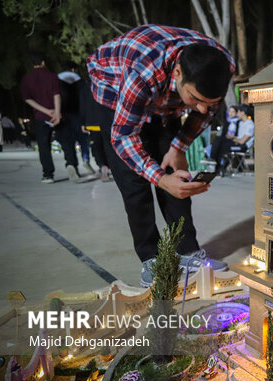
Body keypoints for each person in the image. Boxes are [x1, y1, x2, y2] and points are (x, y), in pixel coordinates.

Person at [87, 24, 235, 287]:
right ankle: (151, 258)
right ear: (178, 72)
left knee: (176, 175)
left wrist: (178, 147)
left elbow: (205, 109)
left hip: (165, 103)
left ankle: (187, 251)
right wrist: (159, 178)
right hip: (113, 89)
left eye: (210, 101)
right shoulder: (142, 73)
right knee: (134, 181)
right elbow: (123, 137)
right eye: (196, 98)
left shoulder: (224, 64)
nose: (202, 108)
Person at [21, 53, 63, 183]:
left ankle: (48, 175)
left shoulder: (27, 79)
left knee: (44, 147)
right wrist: (56, 113)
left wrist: (46, 111)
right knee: (66, 142)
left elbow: (28, 99)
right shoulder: (52, 76)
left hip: (40, 117)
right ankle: (72, 166)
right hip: (57, 116)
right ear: (43, 62)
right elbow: (57, 95)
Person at [58, 62, 95, 176]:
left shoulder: (56, 81)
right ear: (73, 70)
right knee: (83, 140)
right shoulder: (81, 82)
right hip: (79, 116)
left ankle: (71, 164)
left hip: (63, 117)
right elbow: (85, 100)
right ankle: (85, 159)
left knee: (68, 142)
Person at [209, 104, 238, 174]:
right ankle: (218, 165)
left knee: (221, 146)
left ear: (236, 113)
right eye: (229, 111)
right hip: (224, 140)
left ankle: (221, 166)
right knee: (218, 144)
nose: (230, 113)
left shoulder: (237, 122)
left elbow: (237, 135)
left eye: (233, 112)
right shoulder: (227, 122)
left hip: (233, 141)